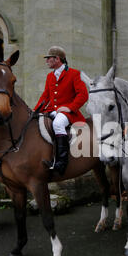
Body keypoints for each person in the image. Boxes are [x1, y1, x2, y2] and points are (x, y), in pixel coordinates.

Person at [33, 46, 88, 175]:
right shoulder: (50, 76)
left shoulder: (74, 74)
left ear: (57, 59)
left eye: (48, 58)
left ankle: (62, 162)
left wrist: (70, 107)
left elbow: (83, 95)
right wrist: (35, 111)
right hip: (52, 110)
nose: (46, 61)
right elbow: (45, 96)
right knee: (38, 122)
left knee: (57, 124)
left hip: (68, 113)